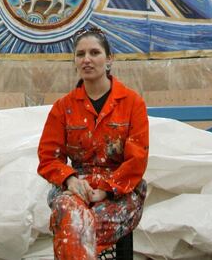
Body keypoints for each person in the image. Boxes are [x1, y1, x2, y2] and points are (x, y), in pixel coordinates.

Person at [37, 26, 149, 260]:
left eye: (95, 53)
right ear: (75, 62)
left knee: (74, 229)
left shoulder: (132, 103)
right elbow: (49, 157)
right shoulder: (63, 107)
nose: (87, 59)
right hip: (77, 186)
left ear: (109, 60)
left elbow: (137, 160)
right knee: (67, 211)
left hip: (121, 189)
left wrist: (106, 191)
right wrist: (70, 180)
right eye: (80, 54)